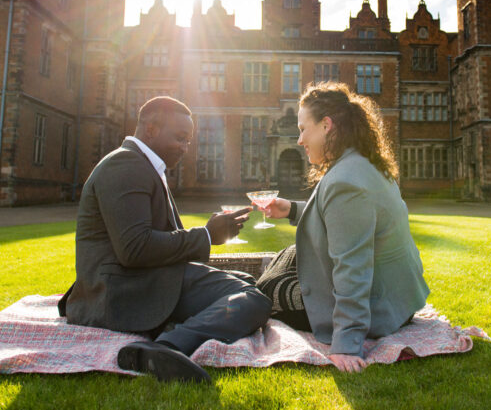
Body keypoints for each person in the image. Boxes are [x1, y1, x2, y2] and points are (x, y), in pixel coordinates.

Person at [58, 96, 271, 383]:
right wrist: (208, 235)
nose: (185, 148)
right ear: (151, 130)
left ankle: (170, 334)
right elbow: (134, 249)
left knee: (246, 284)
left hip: (146, 280)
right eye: (180, 138)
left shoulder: (143, 165)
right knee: (253, 299)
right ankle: (165, 347)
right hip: (124, 292)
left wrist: (211, 233)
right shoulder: (124, 165)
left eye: (189, 140)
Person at [259, 82, 430, 373]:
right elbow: (340, 221)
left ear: (326, 125)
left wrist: (346, 344)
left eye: (303, 129)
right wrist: (292, 209)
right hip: (399, 293)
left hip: (381, 306)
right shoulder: (362, 163)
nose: (299, 140)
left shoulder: (345, 182)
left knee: (266, 291)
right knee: (289, 255)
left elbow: (354, 266)